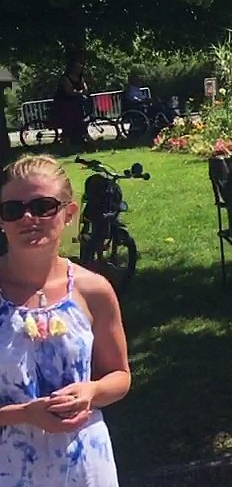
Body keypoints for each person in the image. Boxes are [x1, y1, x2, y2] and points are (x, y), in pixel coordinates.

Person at [0, 155, 132, 485]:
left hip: (84, 466)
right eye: (13, 210)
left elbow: (120, 375)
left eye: (43, 206)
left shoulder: (93, 290)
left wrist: (92, 391)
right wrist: (24, 415)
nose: (28, 218)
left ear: (68, 213)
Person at [53, 59, 91, 144]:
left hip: (76, 102)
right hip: (64, 103)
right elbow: (69, 91)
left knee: (82, 118)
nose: (79, 69)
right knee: (69, 121)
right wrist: (80, 92)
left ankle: (82, 137)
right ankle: (67, 141)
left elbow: (85, 89)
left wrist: (80, 92)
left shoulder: (80, 77)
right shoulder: (65, 78)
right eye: (77, 67)